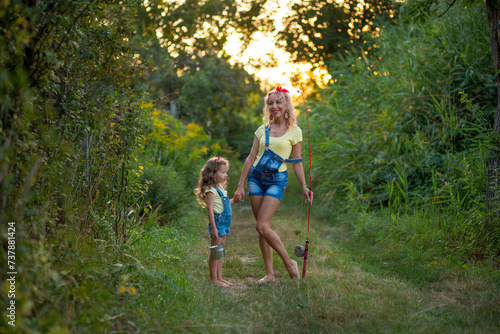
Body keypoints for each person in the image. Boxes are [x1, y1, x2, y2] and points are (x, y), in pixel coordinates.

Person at [234, 86, 313, 284]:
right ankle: (269, 275)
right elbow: (251, 157)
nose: (274, 106)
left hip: (277, 180)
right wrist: (240, 186)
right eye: (270, 103)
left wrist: (304, 186)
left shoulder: (295, 132)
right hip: (255, 179)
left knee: (261, 225)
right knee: (262, 228)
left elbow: (297, 162)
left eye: (278, 102)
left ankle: (289, 263)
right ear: (267, 107)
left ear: (286, 104)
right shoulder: (262, 130)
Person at [194, 156, 235, 288]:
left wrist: (234, 199)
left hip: (225, 224)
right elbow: (210, 209)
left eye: (226, 172)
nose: (225, 175)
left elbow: (225, 204)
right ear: (213, 173)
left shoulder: (221, 189)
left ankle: (220, 278)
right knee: (216, 252)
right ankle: (214, 279)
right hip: (217, 223)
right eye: (222, 172)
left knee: (220, 252)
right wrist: (213, 228)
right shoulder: (211, 190)